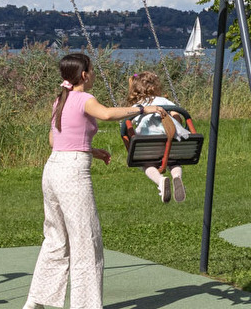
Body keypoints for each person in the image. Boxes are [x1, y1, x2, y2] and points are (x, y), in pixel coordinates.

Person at [24, 53, 165, 309]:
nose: (95, 74)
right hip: (72, 174)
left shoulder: (61, 99)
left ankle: (36, 300)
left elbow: (55, 141)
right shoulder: (84, 98)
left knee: (56, 239)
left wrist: (92, 150)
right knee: (86, 241)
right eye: (93, 70)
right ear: (85, 75)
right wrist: (144, 108)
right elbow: (108, 114)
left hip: (53, 170)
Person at [125, 71, 188, 203]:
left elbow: (127, 125)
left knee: (146, 164)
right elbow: (177, 115)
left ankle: (160, 181)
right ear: (154, 87)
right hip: (171, 143)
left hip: (148, 146)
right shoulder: (164, 101)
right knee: (175, 161)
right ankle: (177, 177)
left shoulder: (137, 106)